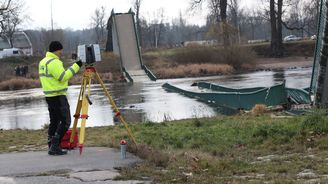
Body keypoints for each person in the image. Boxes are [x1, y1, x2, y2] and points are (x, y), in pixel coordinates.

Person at [39, 41, 82, 155]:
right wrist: (77, 65)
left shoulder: (43, 62)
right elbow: (63, 77)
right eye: (60, 50)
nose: (61, 53)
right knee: (66, 121)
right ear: (56, 50)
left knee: (54, 121)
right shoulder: (55, 62)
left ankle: (51, 145)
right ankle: (55, 145)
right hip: (58, 96)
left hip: (49, 96)